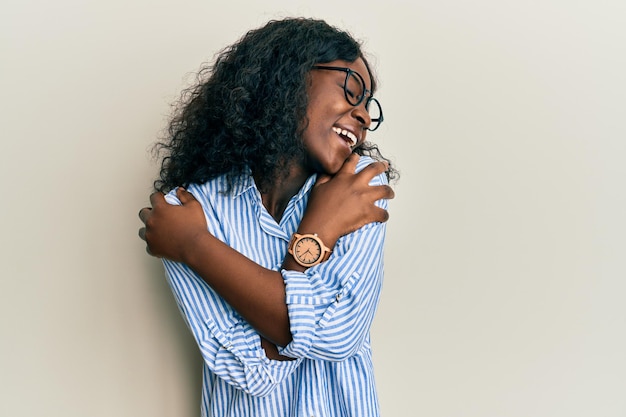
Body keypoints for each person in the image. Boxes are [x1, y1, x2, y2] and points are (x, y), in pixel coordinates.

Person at [138, 17, 398, 417]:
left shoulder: (360, 196)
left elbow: (340, 334)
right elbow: (248, 372)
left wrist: (197, 246)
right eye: (352, 90)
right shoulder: (190, 209)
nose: (363, 115)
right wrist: (319, 242)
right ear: (288, 77)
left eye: (369, 107)